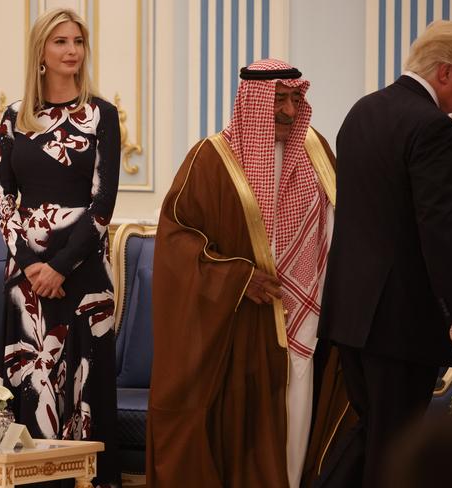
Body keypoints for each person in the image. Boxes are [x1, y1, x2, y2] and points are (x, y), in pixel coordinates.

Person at [147, 59, 351, 488]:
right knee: (250, 431)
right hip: (241, 321)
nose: (290, 111)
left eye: (296, 98)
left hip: (308, 317)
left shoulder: (316, 149)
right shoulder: (211, 159)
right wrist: (238, 279)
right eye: (279, 99)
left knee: (299, 419)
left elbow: (343, 223)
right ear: (253, 102)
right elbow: (176, 241)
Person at [317, 20, 452, 488]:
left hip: (353, 318)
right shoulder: (432, 126)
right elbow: (439, 230)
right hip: (401, 321)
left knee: (375, 434)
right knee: (397, 446)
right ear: (443, 71)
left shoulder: (362, 111)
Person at [0, 8, 121, 488]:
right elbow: (3, 198)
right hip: (26, 282)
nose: (72, 51)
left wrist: (61, 266)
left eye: (78, 42)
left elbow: (103, 203)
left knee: (84, 393)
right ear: (41, 52)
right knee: (34, 385)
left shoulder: (102, 115)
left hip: (83, 275)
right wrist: (30, 267)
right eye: (61, 42)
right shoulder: (13, 117)